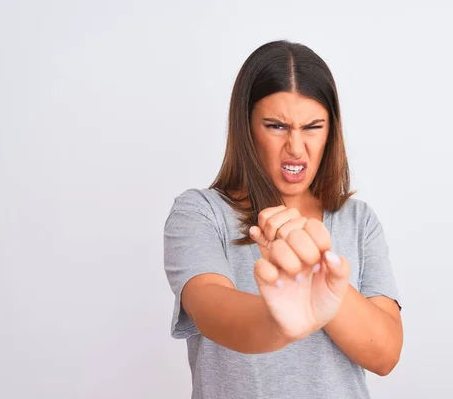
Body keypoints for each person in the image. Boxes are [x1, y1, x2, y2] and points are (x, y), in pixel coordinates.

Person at [163, 40, 403, 399]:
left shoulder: (358, 220)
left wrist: (318, 278)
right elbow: (212, 311)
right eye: (276, 126)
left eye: (313, 127)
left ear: (331, 130)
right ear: (246, 127)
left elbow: (384, 355)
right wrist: (279, 320)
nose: (295, 147)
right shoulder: (201, 212)